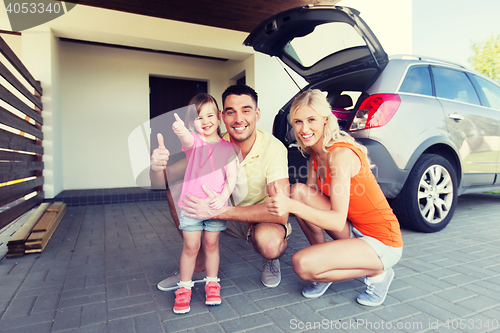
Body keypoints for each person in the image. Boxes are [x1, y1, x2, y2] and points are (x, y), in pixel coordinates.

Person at [265, 89, 403, 306]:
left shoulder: (340, 155)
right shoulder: (315, 155)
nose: (304, 129)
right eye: (298, 122)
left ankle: (379, 272)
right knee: (298, 192)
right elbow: (307, 203)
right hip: (354, 230)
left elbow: (336, 220)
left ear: (326, 120)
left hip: (382, 240)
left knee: (302, 264)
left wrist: (290, 205)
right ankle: (325, 264)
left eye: (312, 120)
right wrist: (290, 200)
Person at [150, 85, 291, 293]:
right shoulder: (210, 142)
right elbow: (163, 180)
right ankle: (196, 261)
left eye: (246, 110)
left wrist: (221, 211)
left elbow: (281, 212)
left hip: (254, 217)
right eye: (231, 112)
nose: (238, 119)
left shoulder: (274, 148)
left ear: (257, 114)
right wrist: (156, 167)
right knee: (176, 188)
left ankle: (270, 260)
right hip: (217, 213)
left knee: (270, 244)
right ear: (222, 116)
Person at [165, 93, 238, 314]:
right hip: (190, 206)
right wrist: (181, 131)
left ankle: (212, 282)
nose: (205, 121)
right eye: (198, 117)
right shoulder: (194, 143)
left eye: (209, 115)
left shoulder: (228, 148)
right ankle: (184, 288)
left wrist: (222, 196)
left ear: (218, 116)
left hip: (216, 208)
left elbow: (231, 178)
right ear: (191, 123)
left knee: (211, 245)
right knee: (191, 246)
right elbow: (187, 138)